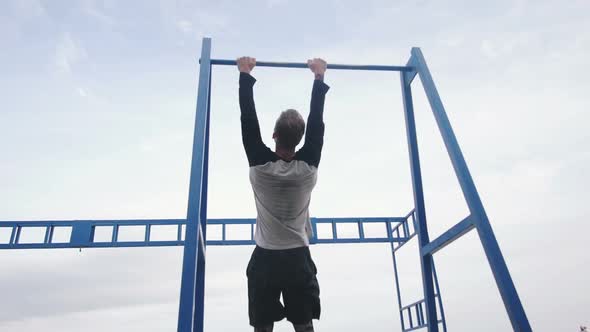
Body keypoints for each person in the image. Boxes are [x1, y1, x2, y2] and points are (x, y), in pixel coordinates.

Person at [237, 56, 330, 332]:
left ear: (274, 134)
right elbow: (317, 123)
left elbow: (248, 119)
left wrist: (245, 74)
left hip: (266, 258)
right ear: (300, 139)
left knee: (262, 328)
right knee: (304, 327)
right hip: (297, 259)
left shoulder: (260, 164)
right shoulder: (308, 167)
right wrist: (319, 76)